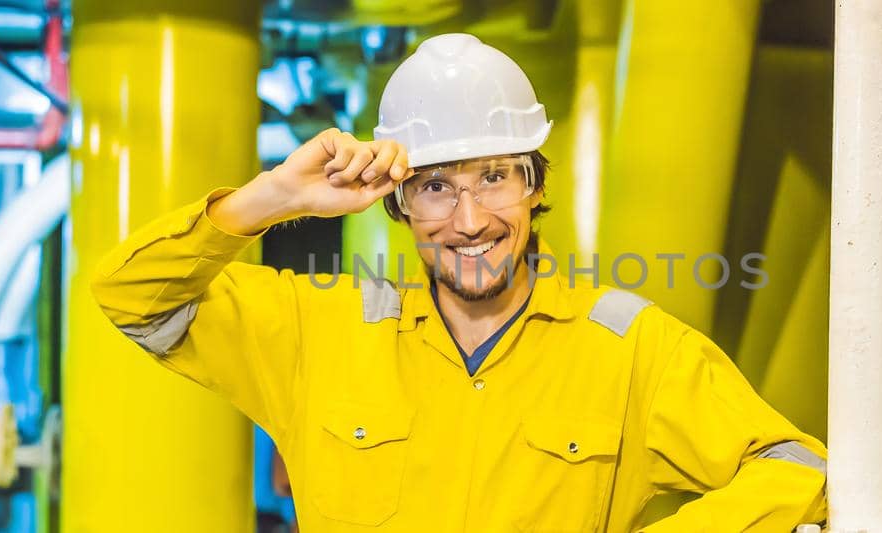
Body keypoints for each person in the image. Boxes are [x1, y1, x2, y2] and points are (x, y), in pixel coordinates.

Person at [91, 33, 826, 532]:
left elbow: (795, 467)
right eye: (437, 186)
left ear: (536, 186)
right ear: (399, 203)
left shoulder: (632, 350)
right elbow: (131, 293)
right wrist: (275, 197)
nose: (470, 219)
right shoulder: (320, 332)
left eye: (496, 177)